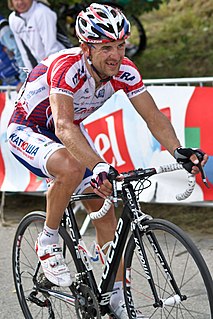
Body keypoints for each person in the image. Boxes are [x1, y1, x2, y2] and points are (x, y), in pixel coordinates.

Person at [7, 3, 208, 318]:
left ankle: (114, 299)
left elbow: (152, 116)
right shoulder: (67, 68)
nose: (116, 54)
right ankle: (47, 240)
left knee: (106, 217)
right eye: (106, 48)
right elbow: (61, 126)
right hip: (29, 129)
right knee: (72, 168)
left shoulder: (125, 70)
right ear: (86, 47)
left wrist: (178, 150)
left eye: (120, 45)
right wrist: (98, 163)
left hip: (69, 134)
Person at [7, 0, 67, 72]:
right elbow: (24, 51)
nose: (20, 2)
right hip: (43, 65)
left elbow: (52, 48)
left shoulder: (43, 12)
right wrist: (30, 75)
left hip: (62, 61)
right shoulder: (13, 19)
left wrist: (51, 74)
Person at [0, 15, 26, 92]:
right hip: (6, 84)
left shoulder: (2, 27)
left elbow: (18, 51)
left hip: (19, 80)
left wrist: (24, 79)